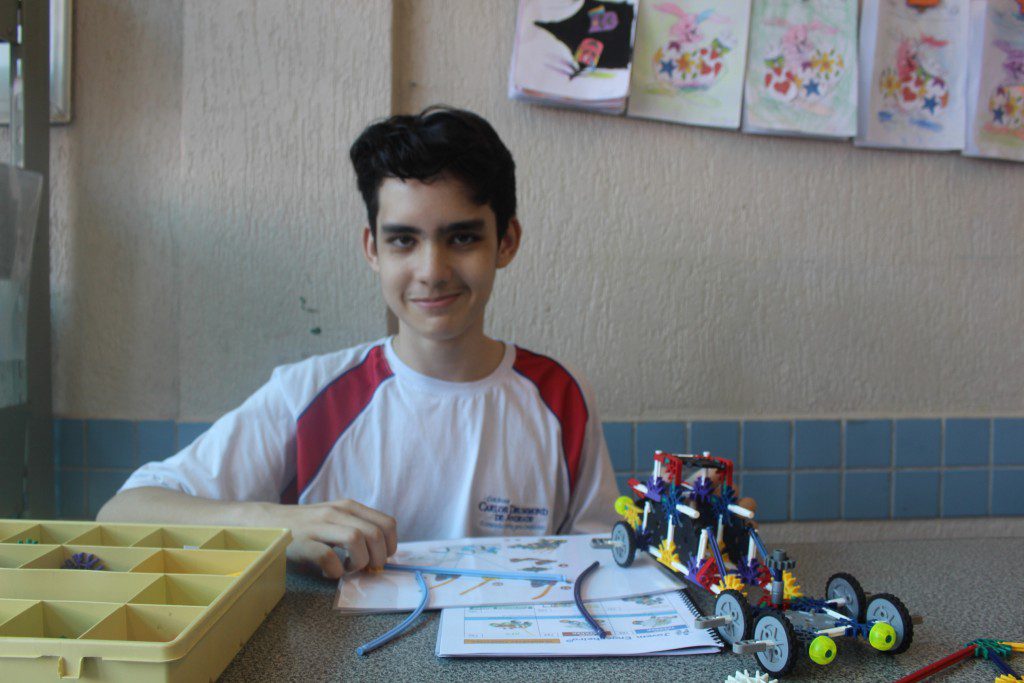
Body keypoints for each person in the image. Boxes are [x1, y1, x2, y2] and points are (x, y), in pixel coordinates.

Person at [98, 106, 621, 579]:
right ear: (373, 248)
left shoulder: (563, 397)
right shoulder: (307, 395)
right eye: (403, 240)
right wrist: (276, 523)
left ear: (506, 242)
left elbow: (603, 567)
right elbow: (124, 511)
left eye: (462, 237)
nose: (431, 271)